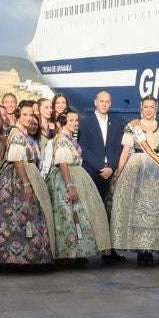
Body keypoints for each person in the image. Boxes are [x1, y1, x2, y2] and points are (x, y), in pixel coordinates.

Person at [110, 96, 159, 262]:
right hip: (137, 168)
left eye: (152, 107)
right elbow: (125, 152)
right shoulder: (133, 126)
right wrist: (119, 172)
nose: (149, 110)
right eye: (146, 107)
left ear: (156, 108)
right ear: (141, 108)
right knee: (138, 210)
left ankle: (155, 246)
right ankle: (142, 250)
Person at [0, 105, 56, 266]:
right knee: (18, 215)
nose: (28, 118)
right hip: (17, 179)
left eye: (31, 115)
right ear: (19, 115)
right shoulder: (17, 134)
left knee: (27, 215)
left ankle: (28, 255)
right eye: (25, 115)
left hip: (26, 174)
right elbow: (17, 159)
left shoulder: (24, 134)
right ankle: (15, 257)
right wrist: (26, 182)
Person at [47, 112, 112, 262]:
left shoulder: (71, 138)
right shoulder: (62, 139)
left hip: (76, 174)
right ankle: (67, 254)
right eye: (71, 120)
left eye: (76, 120)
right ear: (63, 122)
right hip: (65, 179)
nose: (75, 123)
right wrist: (69, 186)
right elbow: (63, 163)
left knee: (79, 214)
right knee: (69, 215)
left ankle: (78, 251)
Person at [77, 89, 124, 210]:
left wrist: (110, 168)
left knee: (109, 210)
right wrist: (101, 168)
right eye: (101, 101)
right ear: (95, 102)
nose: (104, 104)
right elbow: (84, 149)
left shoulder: (116, 124)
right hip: (92, 173)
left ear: (111, 104)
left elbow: (118, 150)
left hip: (110, 175)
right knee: (91, 209)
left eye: (107, 101)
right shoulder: (85, 122)